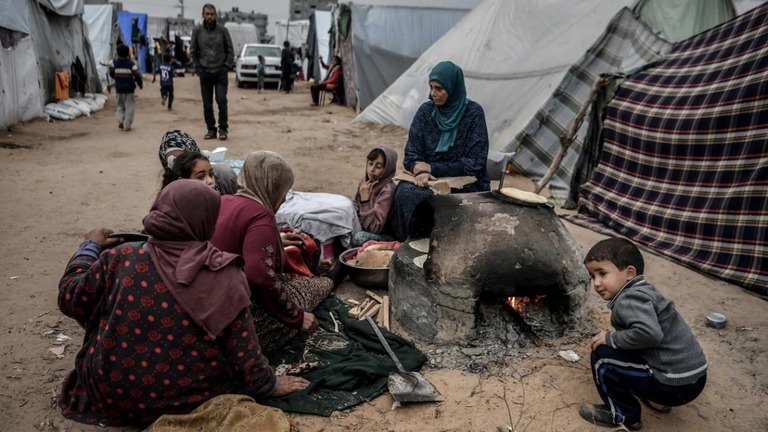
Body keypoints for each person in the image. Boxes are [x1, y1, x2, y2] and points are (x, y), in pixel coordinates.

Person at [56, 180, 309, 427]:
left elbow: (70, 299)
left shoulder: (119, 258)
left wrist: (88, 248)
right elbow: (243, 353)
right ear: (208, 221)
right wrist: (269, 385)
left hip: (109, 395)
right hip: (189, 402)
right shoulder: (226, 276)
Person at [210, 151, 336, 352]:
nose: (285, 198)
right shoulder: (260, 216)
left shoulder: (222, 201)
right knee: (320, 285)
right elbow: (258, 275)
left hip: (205, 305)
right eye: (282, 190)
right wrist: (296, 317)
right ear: (271, 187)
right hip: (231, 315)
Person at [578, 238, 708, 431]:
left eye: (602, 273)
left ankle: (623, 416)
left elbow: (649, 335)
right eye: (592, 276)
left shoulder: (628, 299)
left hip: (674, 385)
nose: (596, 283)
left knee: (602, 356)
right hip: (694, 378)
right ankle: (658, 400)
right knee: (625, 343)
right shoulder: (645, 291)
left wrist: (610, 338)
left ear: (630, 273)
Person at [390, 61, 490, 241]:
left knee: (432, 199)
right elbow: (412, 152)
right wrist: (419, 170)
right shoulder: (425, 112)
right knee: (404, 192)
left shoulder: (473, 114)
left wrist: (433, 169)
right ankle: (410, 245)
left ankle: (438, 247)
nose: (433, 94)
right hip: (426, 180)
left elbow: (475, 162)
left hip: (466, 184)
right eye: (431, 87)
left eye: (439, 88)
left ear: (453, 88)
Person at [190, 3, 235, 141]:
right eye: (207, 14)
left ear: (215, 15)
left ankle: (223, 129)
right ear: (203, 15)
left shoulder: (223, 30)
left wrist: (226, 66)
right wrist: (198, 68)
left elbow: (230, 50)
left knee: (221, 100)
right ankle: (211, 129)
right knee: (207, 103)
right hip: (205, 72)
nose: (209, 16)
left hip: (220, 71)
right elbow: (193, 51)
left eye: (212, 14)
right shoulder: (197, 31)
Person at [158, 130, 238, 195]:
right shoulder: (170, 200)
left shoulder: (226, 177)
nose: (210, 181)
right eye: (201, 177)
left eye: (211, 174)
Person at [351, 145, 398, 247]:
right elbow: (355, 207)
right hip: (362, 226)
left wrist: (365, 201)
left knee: (358, 238)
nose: (372, 169)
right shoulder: (365, 183)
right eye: (370, 163)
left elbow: (374, 228)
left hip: (382, 235)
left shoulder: (387, 190)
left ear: (387, 169)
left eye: (379, 166)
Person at [109, 44, 143, 131]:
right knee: (130, 106)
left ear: (117, 53)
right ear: (128, 53)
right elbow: (137, 75)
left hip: (119, 89)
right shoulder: (131, 64)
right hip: (129, 89)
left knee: (120, 105)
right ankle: (127, 125)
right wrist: (140, 84)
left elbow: (112, 75)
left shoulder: (114, 63)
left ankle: (120, 120)